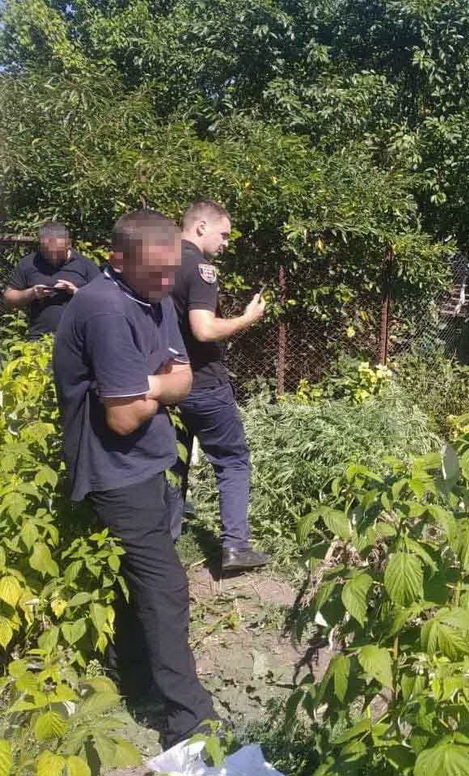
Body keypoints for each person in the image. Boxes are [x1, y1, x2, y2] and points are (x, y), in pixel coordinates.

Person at [53, 209, 218, 750]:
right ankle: (188, 724)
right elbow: (121, 418)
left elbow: (184, 378)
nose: (168, 285)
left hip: (150, 462)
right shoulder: (103, 308)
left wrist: (143, 385)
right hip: (116, 473)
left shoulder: (154, 295)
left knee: (142, 586)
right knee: (165, 589)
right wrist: (157, 387)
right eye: (155, 274)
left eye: (172, 272)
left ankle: (137, 680)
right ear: (116, 259)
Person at [169, 200, 267, 572]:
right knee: (232, 460)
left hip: (166, 382)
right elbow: (204, 329)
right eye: (223, 234)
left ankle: (164, 544)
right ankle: (235, 547)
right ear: (200, 227)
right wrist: (246, 319)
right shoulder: (200, 269)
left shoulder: (155, 262)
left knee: (173, 463)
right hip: (203, 382)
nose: (226, 242)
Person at [3, 222, 100, 338]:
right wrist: (32, 293)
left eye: (58, 253)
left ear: (69, 244)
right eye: (47, 253)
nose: (53, 257)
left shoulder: (85, 265)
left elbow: (102, 300)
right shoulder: (28, 264)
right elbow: (9, 298)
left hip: (78, 338)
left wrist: (76, 292)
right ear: (40, 245)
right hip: (39, 338)